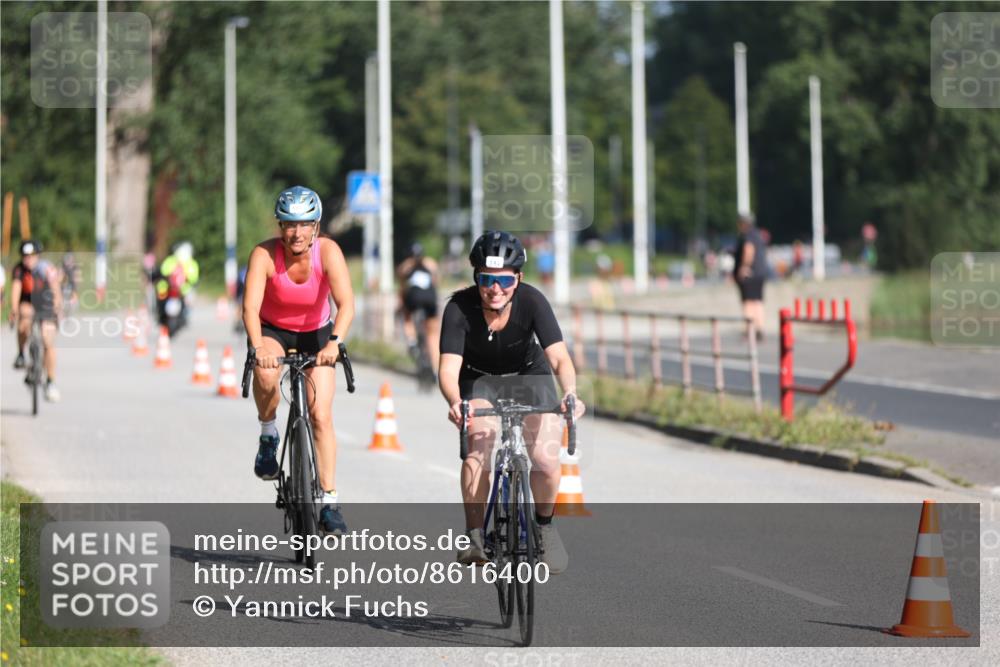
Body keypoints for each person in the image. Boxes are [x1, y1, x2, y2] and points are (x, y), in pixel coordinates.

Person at [439, 230, 586, 574]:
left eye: (504, 280)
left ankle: (545, 528)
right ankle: (475, 535)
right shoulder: (459, 309)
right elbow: (448, 369)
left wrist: (569, 392)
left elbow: (560, 358)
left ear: (518, 278)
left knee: (545, 460)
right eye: (486, 279)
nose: (495, 288)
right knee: (478, 452)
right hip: (479, 380)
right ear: (476, 277)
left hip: (528, 376)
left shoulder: (532, 301)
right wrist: (456, 401)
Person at [242, 186, 355, 534]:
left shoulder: (329, 252)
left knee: (320, 415)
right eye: (290, 224)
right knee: (266, 375)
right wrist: (258, 347)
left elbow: (346, 305)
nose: (297, 232)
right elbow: (249, 308)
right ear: (280, 226)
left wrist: (335, 343)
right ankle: (268, 434)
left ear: (316, 226)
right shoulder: (264, 255)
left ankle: (329, 501)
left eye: (305, 224)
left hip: (318, 333)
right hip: (273, 330)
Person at [9, 240, 62, 401]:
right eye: (25, 256)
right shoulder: (19, 270)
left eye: (31, 256)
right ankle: (21, 353)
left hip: (45, 303)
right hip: (28, 302)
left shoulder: (46, 268)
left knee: (48, 339)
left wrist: (57, 308)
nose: (28, 259)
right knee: (24, 315)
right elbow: (16, 289)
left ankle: (50, 381)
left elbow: (55, 289)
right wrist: (13, 310)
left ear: (38, 256)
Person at [396, 242, 440, 371]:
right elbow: (435, 282)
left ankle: (411, 341)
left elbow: (403, 288)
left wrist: (400, 305)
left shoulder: (405, 266)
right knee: (432, 333)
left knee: (406, 315)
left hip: (413, 298)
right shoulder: (431, 263)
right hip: (430, 298)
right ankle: (435, 369)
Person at [733, 213, 768, 341]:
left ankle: (749, 330)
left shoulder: (747, 235)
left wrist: (744, 267)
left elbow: (749, 250)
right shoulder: (758, 234)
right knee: (757, 301)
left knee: (748, 302)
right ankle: (759, 328)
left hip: (750, 275)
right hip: (759, 273)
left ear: (743, 224)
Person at [155, 241, 200, 331]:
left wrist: (191, 282)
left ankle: (185, 316)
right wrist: (162, 277)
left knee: (189, 300)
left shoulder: (191, 263)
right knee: (160, 299)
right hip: (167, 288)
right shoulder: (170, 261)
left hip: (183, 290)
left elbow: (194, 277)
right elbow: (163, 271)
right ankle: (160, 315)